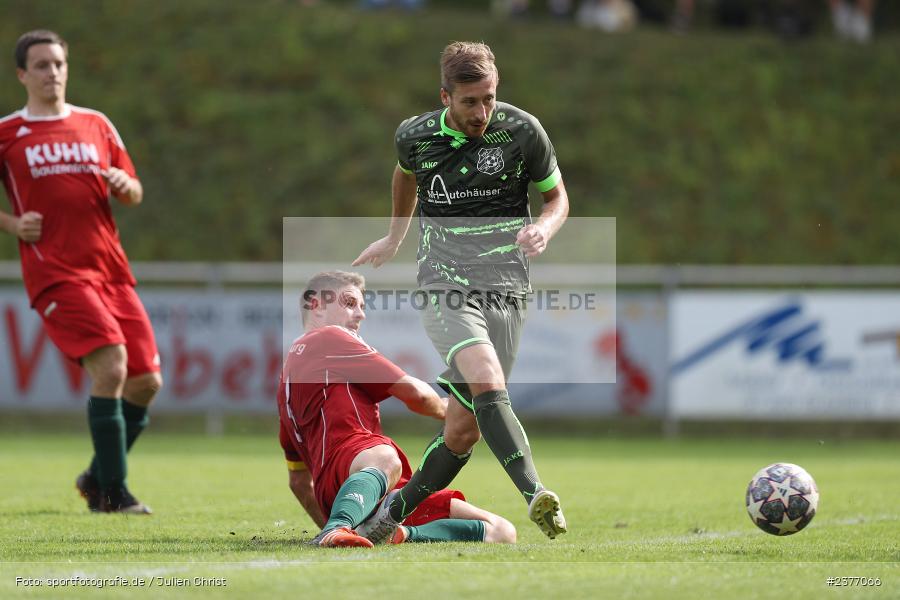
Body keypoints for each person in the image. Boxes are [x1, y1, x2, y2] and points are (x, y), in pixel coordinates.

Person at [352, 41, 568, 541]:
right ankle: (535, 492)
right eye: (470, 101)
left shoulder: (522, 130)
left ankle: (390, 513)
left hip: (508, 287)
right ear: (445, 96)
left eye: (489, 98)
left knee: (462, 432)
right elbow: (405, 176)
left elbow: (556, 197)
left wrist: (545, 229)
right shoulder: (415, 136)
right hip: (444, 281)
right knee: (486, 375)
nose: (482, 111)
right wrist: (394, 237)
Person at [0, 30, 162, 513]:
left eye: (59, 63)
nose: (53, 72)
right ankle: (112, 492)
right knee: (111, 366)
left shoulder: (95, 123)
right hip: (56, 272)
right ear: (22, 75)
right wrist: (11, 223)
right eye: (42, 65)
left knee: (146, 381)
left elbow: (133, 190)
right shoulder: (8, 133)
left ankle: (97, 477)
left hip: (110, 270)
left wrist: (122, 183)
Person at [278, 271, 516, 546]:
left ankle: (393, 534)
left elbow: (298, 481)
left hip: (367, 492)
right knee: (385, 457)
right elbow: (416, 394)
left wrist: (346, 518)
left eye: (362, 306)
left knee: (501, 531)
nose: (360, 314)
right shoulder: (329, 337)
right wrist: (452, 410)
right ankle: (339, 526)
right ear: (315, 304)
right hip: (363, 469)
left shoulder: (284, 385)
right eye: (349, 303)